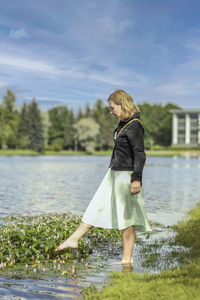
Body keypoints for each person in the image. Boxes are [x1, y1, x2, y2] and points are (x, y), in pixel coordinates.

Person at [54, 89, 151, 265]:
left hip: (125, 176)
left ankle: (127, 260)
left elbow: (139, 154)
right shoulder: (123, 123)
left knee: (126, 218)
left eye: (112, 107)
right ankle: (74, 239)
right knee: (96, 206)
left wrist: (136, 178)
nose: (111, 111)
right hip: (113, 173)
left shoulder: (135, 124)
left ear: (122, 105)